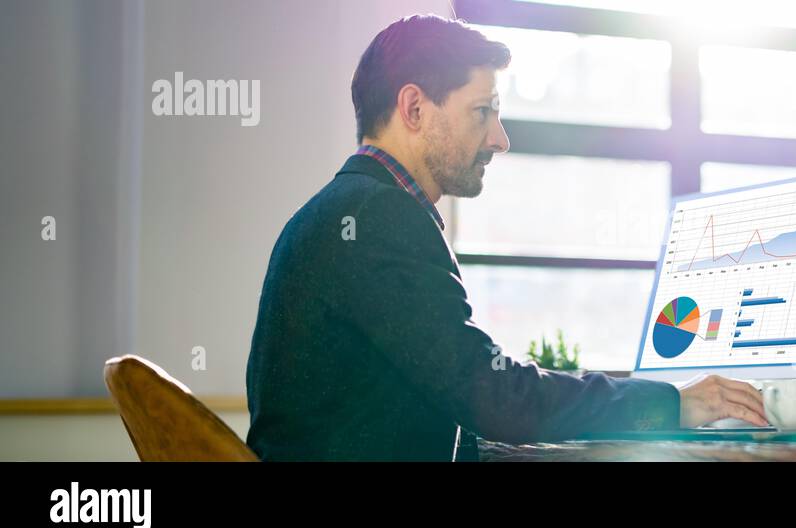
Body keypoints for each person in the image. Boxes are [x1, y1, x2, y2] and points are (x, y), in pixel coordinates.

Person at [245, 14, 766, 461]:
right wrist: (673, 403)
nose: (500, 138)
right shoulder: (380, 216)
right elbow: (495, 397)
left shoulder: (340, 210)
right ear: (414, 108)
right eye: (482, 110)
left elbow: (436, 398)